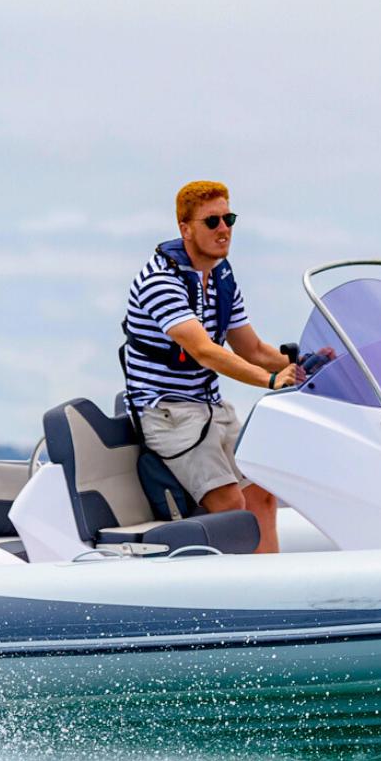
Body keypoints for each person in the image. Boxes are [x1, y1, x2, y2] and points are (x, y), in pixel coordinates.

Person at [120, 181, 306, 553]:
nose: (223, 229)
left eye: (228, 218)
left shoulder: (221, 277)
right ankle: (243, 601)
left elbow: (251, 348)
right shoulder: (161, 281)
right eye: (212, 222)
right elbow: (205, 352)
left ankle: (272, 589)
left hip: (211, 407)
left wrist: (308, 365)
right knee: (230, 505)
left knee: (262, 492)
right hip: (168, 413)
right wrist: (272, 380)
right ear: (185, 229)